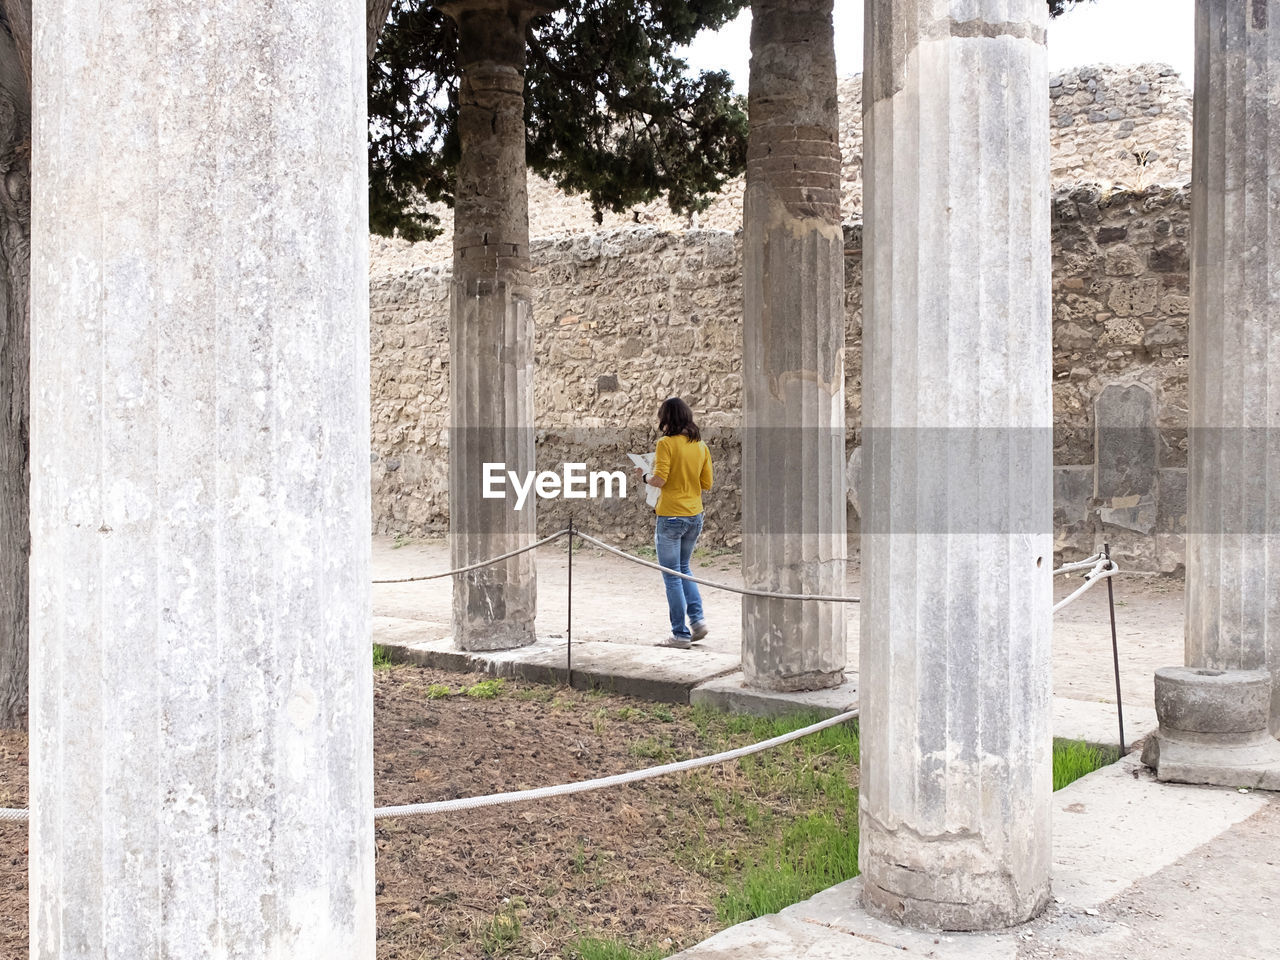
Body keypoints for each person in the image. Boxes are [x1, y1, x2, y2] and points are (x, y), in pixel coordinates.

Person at [639, 397, 713, 649]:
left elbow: (660, 479)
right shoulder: (701, 446)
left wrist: (645, 476)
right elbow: (707, 484)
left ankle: (680, 634)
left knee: (671, 575)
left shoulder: (666, 444)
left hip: (671, 515)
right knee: (684, 568)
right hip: (695, 514)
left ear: (667, 419)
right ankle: (698, 620)